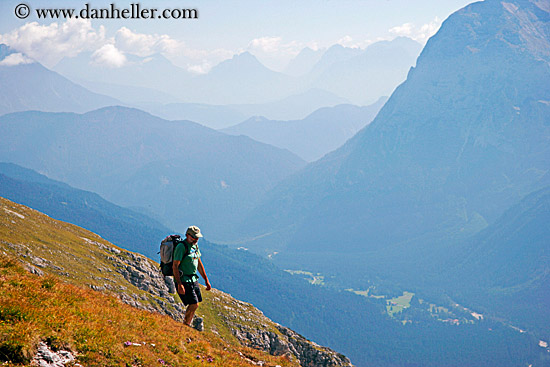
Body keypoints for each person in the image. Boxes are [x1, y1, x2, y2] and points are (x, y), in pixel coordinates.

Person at [172, 225, 212, 326]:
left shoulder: (195, 246)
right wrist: (179, 284)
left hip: (193, 279)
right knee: (194, 304)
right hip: (184, 279)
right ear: (187, 235)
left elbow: (199, 263)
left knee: (196, 303)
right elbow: (175, 266)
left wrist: (206, 280)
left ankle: (186, 323)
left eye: (197, 237)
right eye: (194, 237)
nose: (196, 239)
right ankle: (186, 325)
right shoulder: (181, 247)